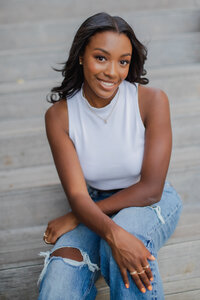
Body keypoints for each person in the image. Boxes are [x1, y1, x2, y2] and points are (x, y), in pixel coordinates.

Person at [38, 12, 182, 300]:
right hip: (92, 201)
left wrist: (77, 217)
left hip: (151, 201)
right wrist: (87, 215)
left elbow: (151, 189)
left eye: (123, 61)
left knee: (126, 238)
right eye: (101, 58)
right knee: (62, 268)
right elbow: (79, 197)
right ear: (81, 56)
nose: (112, 72)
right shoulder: (59, 116)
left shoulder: (151, 101)